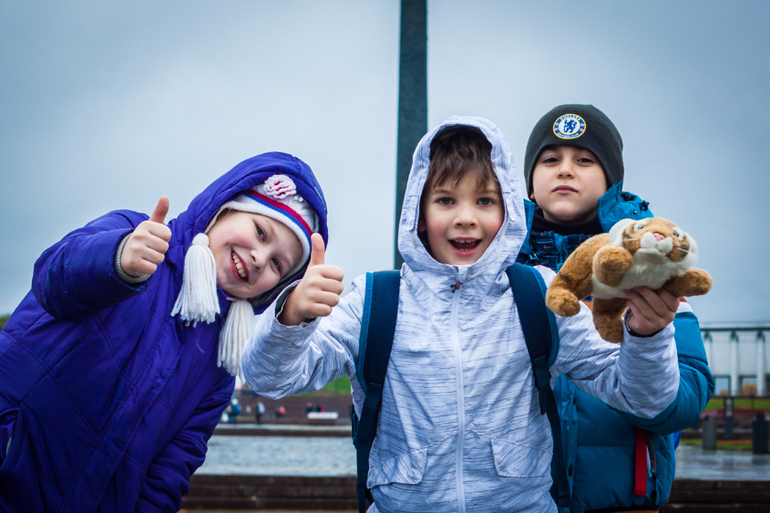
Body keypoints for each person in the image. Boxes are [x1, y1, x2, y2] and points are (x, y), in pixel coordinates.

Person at [243, 117, 683, 512]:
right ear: (418, 214)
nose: (466, 218)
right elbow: (270, 379)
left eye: (486, 201)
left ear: (509, 213)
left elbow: (643, 399)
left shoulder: (540, 294)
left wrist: (647, 335)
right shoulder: (373, 300)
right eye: (446, 200)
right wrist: (291, 317)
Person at [0, 152, 328, 512]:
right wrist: (118, 260)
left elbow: (172, 470)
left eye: (278, 264)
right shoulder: (130, 231)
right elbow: (51, 278)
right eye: (260, 232)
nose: (259, 259)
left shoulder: (223, 361)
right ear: (222, 210)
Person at [517, 104, 714, 512]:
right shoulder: (498, 272)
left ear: (611, 181)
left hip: (621, 503)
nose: (565, 170)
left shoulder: (655, 267)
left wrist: (649, 336)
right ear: (530, 186)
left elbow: (684, 402)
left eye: (584, 160)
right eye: (550, 159)